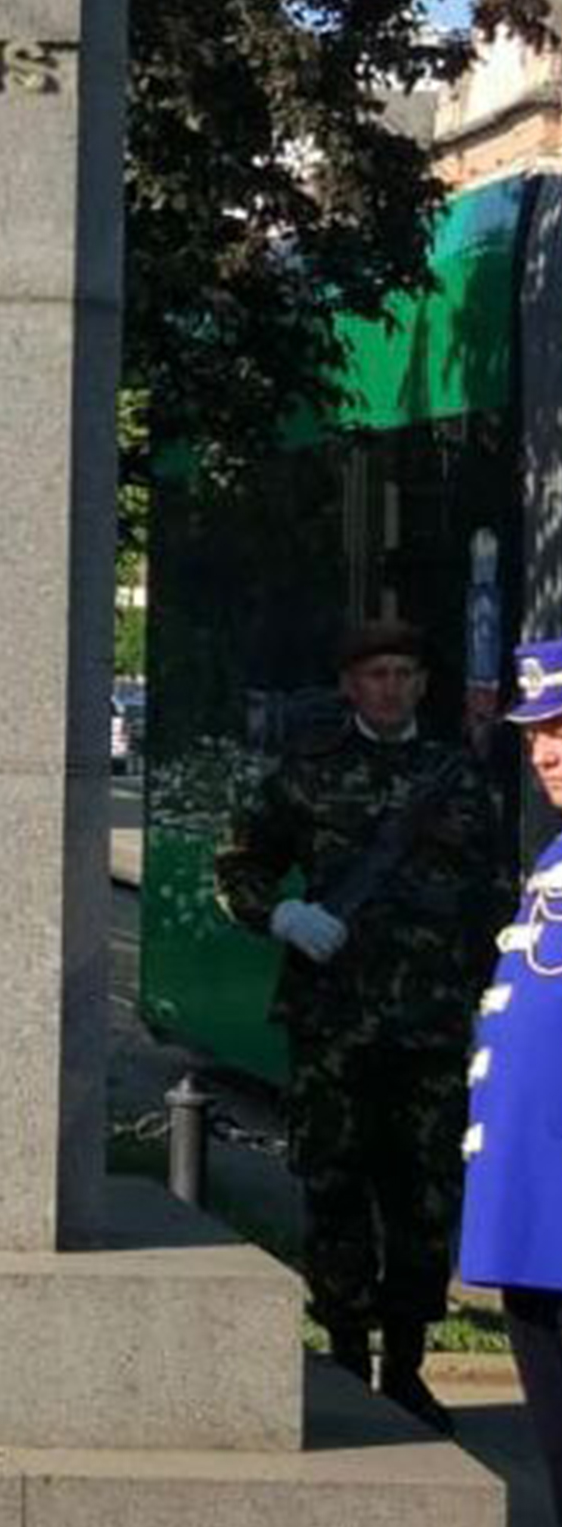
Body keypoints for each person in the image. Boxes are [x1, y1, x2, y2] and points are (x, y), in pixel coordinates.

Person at [215, 618, 504, 1434]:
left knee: (422, 1201)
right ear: (349, 686)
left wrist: (489, 999)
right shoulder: (304, 776)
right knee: (336, 1192)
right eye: (375, 673)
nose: (389, 687)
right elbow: (236, 866)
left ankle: (405, 1367)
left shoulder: (456, 778)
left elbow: (488, 892)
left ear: (421, 685)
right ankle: (345, 1359)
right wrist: (283, 915)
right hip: (334, 1028)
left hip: (430, 1030)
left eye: (403, 673)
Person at [461, 636, 562, 1523]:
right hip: (536, 1213)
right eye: (535, 734)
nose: (544, 752)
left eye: (561, 730)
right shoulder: (552, 859)